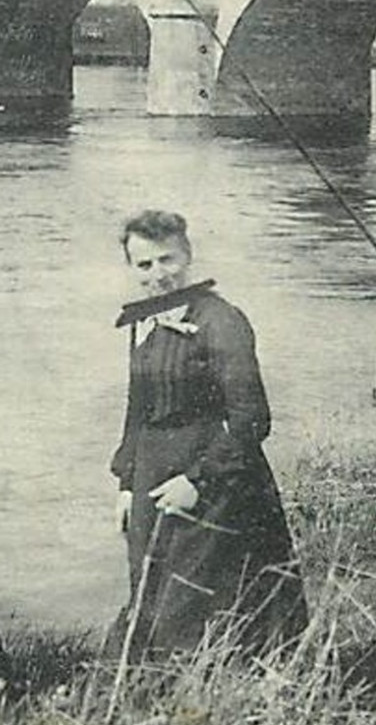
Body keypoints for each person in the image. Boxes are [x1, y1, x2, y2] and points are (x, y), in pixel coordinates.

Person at [107, 210, 307, 660]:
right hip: (152, 474)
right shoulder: (143, 321)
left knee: (196, 604)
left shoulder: (221, 321)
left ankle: (222, 699)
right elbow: (138, 409)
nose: (158, 275)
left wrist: (197, 481)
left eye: (167, 260)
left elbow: (252, 418)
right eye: (144, 265)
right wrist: (125, 483)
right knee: (147, 595)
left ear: (188, 255)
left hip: (214, 476)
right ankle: (153, 700)